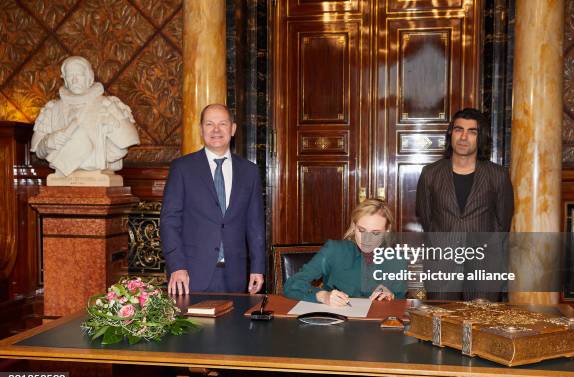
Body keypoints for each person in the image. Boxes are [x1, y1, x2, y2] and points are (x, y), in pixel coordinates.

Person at [161, 104, 265, 295]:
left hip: (235, 275)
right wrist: (177, 266)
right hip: (190, 275)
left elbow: (255, 224)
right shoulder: (182, 168)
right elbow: (170, 222)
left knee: (234, 325)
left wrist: (257, 267)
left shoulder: (249, 172)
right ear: (201, 130)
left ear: (232, 129)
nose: (216, 130)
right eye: (209, 124)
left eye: (222, 124)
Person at [415, 108, 514, 300]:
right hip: (441, 269)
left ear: (480, 137)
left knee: (481, 327)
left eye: (472, 132)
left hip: (484, 269)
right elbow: (427, 219)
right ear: (451, 133)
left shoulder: (498, 175)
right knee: (442, 327)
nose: (464, 137)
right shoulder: (430, 174)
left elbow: (503, 224)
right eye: (459, 129)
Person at [31, 56, 139, 177]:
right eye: (70, 75)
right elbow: (39, 151)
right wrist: (48, 142)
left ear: (89, 77)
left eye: (79, 75)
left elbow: (122, 148)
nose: (75, 80)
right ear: (65, 79)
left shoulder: (108, 105)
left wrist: (103, 145)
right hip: (62, 178)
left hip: (98, 177)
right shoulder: (52, 109)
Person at [284, 198, 405, 306]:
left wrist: (392, 296)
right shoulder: (334, 250)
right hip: (335, 324)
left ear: (387, 231)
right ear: (354, 226)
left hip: (377, 327)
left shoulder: (398, 261)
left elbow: (401, 301)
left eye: (375, 233)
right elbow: (291, 285)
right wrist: (322, 296)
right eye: (361, 230)